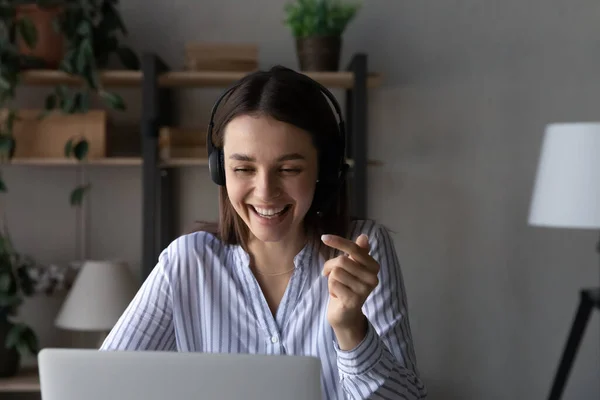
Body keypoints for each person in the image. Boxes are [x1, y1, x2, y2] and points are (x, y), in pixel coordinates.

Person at [100, 66, 427, 399]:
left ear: (325, 171)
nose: (265, 191)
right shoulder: (187, 262)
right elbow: (100, 387)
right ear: (220, 170)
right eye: (243, 169)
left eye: (288, 169)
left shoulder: (361, 253)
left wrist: (351, 330)